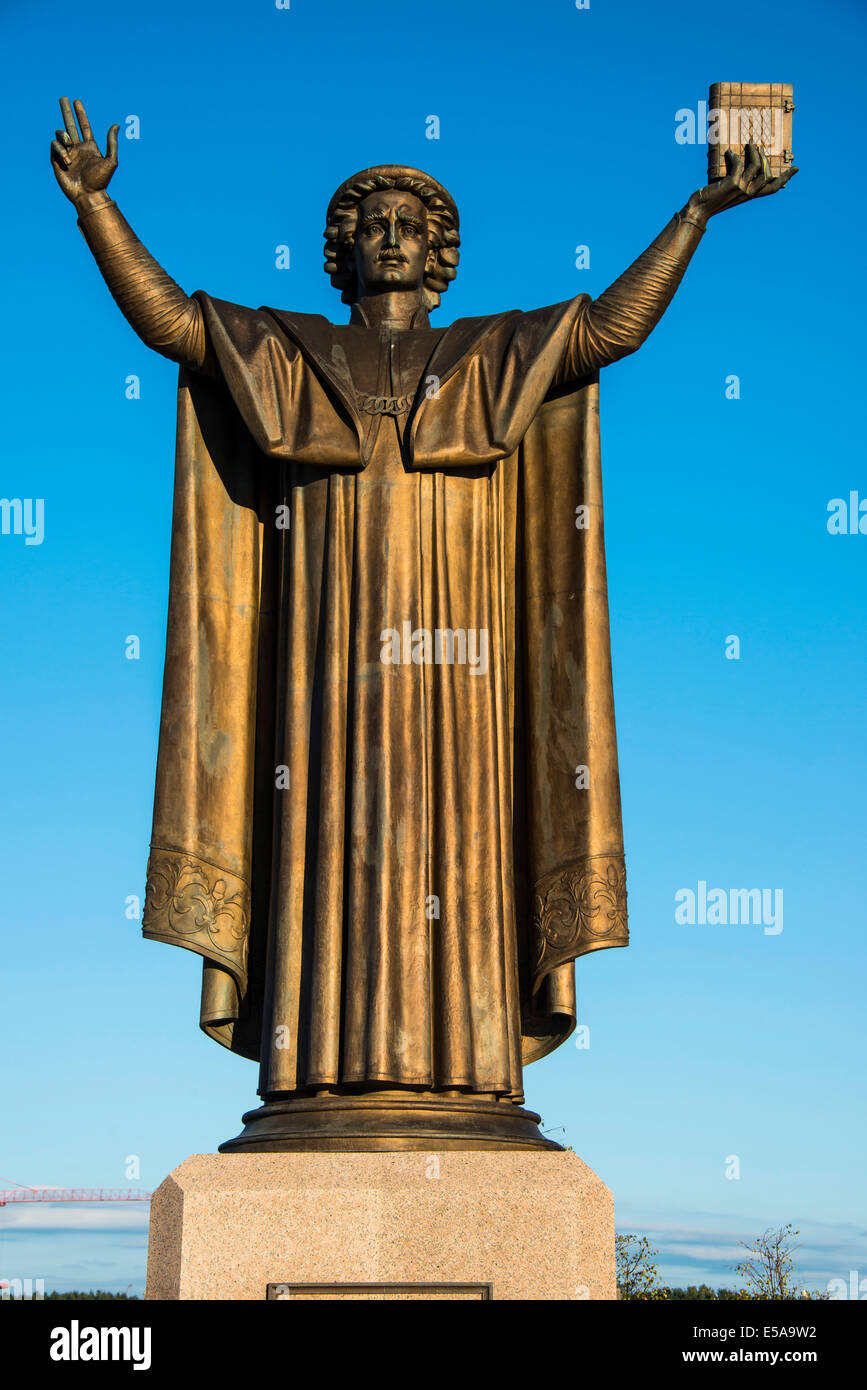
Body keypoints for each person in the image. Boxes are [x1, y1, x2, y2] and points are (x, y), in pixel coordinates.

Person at [51, 98, 796, 1149]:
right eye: (372, 222)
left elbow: (608, 331)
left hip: (461, 662)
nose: (391, 234)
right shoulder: (287, 350)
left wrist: (699, 211)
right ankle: (322, 1070)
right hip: (324, 651)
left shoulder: (494, 354)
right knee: (322, 829)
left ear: (439, 256)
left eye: (411, 221)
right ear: (340, 255)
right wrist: (96, 209)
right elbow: (173, 323)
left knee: (457, 832)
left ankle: (460, 1069)